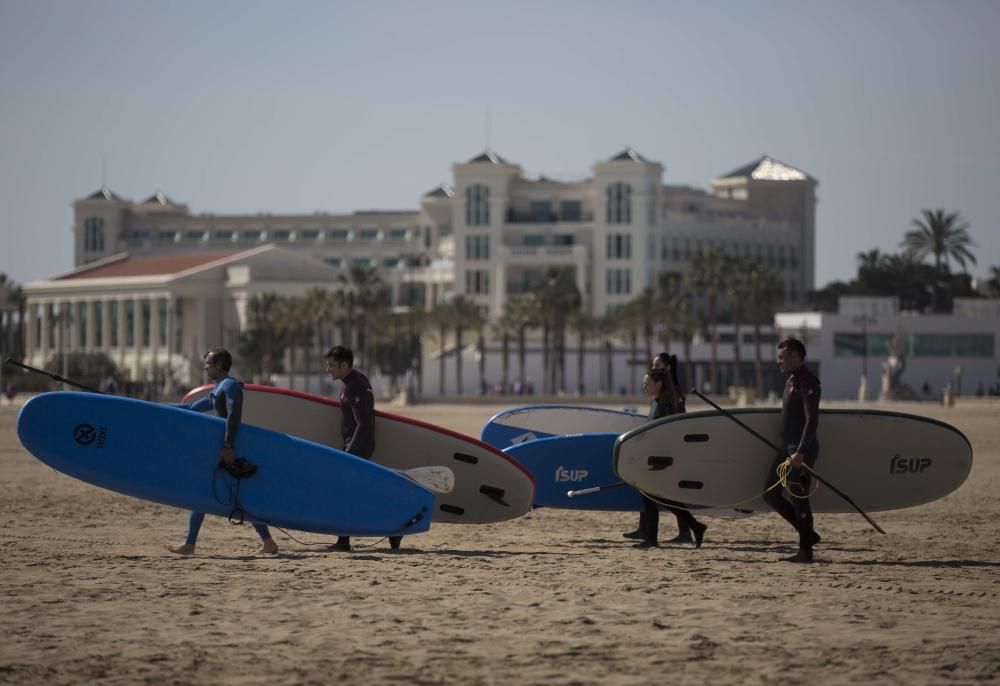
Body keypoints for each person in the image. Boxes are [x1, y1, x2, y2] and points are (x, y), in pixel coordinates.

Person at [165, 348, 279, 556]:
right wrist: (158, 409)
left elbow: (234, 414)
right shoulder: (217, 390)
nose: (205, 366)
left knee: (206, 493)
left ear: (219, 365)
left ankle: (190, 544)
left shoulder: (230, 385)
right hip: (222, 448)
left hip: (228, 449)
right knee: (233, 496)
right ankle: (268, 542)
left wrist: (228, 446)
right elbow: (190, 409)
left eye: (208, 363)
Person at [325, 345, 401, 552]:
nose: (328, 369)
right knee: (356, 492)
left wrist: (349, 452)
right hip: (357, 444)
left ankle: (346, 540)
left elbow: (363, 423)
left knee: (346, 492)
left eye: (332, 365)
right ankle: (390, 530)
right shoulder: (355, 380)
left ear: (344, 365)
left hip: (358, 445)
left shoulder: (354, 386)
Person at [632, 368, 707, 549]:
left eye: (648, 383)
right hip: (655, 457)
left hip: (662, 459)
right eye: (644, 383)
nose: (644, 386)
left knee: (651, 495)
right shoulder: (656, 403)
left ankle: (652, 539)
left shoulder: (666, 405)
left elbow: (667, 434)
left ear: (659, 384)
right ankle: (696, 527)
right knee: (661, 497)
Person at [763, 338, 821, 563]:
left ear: (795, 356)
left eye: (782, 357)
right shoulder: (791, 380)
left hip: (800, 451)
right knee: (770, 493)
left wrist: (800, 452)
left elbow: (812, 420)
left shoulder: (808, 382)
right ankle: (809, 534)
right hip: (786, 449)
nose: (778, 361)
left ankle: (805, 551)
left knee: (800, 499)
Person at [624, 352, 691, 543]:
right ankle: (646, 530)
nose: (654, 369)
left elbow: (673, 425)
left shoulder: (672, 394)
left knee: (664, 494)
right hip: (657, 452)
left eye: (658, 366)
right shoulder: (658, 397)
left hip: (667, 453)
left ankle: (683, 530)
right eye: (653, 365)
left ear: (667, 368)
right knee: (652, 493)